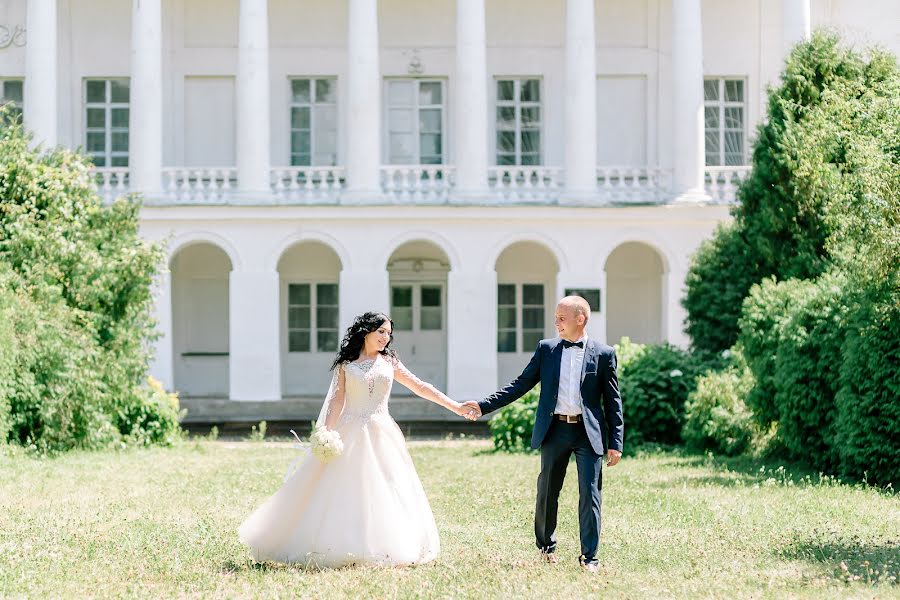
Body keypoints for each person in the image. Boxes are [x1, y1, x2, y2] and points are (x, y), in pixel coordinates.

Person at [238, 311, 470, 567]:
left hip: (383, 431)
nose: (385, 338)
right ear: (366, 331)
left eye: (389, 334)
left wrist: (455, 406)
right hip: (349, 430)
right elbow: (337, 400)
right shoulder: (346, 365)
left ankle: (387, 544)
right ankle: (340, 543)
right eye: (381, 332)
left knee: (388, 486)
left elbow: (420, 386)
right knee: (343, 487)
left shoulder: (390, 362)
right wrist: (326, 431)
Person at [462, 296, 624, 573]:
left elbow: (613, 401)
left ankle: (590, 558)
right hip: (555, 429)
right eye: (556, 317)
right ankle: (547, 547)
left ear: (580, 319)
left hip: (589, 433)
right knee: (548, 492)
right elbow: (520, 385)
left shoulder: (604, 353)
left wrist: (615, 443)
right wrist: (483, 405)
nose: (556, 323)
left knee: (590, 495)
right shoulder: (547, 350)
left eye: (562, 318)